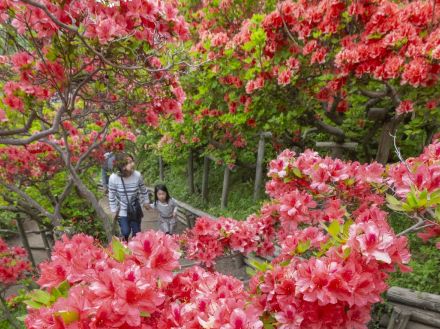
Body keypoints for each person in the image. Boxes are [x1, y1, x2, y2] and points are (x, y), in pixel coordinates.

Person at [108, 153, 149, 241]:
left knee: (137, 233)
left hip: (134, 209)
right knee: (125, 232)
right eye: (129, 162)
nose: (132, 164)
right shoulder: (113, 178)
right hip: (122, 209)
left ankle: (135, 251)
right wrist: (113, 209)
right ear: (122, 166)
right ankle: (124, 247)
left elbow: (143, 189)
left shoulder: (137, 175)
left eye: (132, 161)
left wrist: (146, 201)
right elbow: (111, 194)